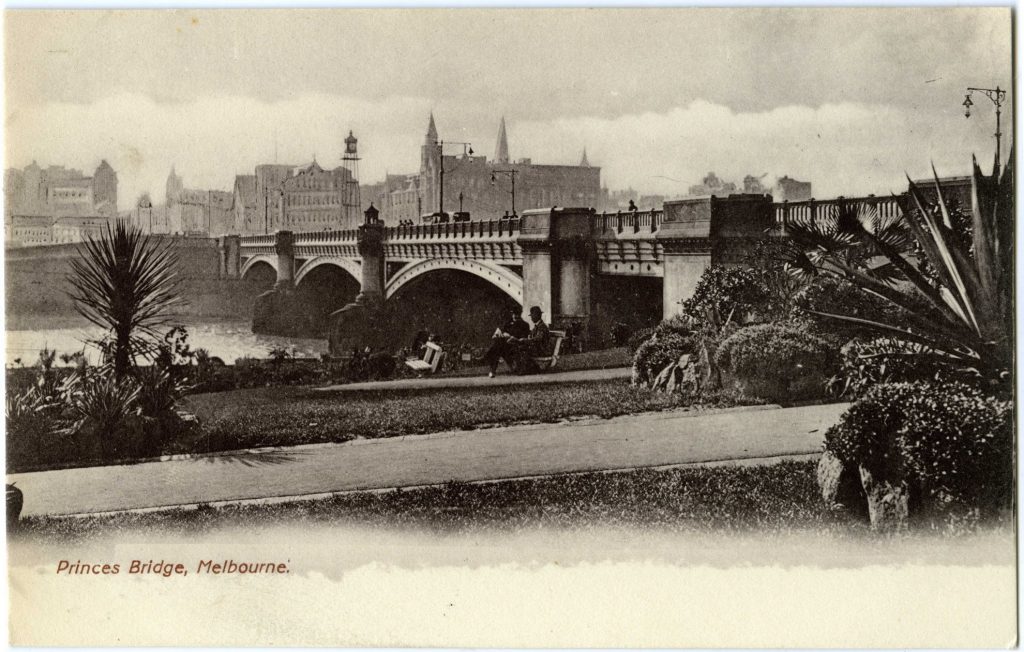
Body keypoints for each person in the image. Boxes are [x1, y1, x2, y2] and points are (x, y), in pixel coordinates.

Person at [482, 306, 531, 377]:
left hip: (515, 346)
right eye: (514, 314)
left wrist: (513, 338)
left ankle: (492, 369)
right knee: (498, 343)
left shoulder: (525, 325)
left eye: (518, 314)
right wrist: (500, 334)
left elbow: (524, 338)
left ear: (520, 314)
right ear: (512, 314)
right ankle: (492, 369)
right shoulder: (508, 323)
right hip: (505, 346)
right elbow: (500, 331)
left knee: (498, 346)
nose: (516, 316)